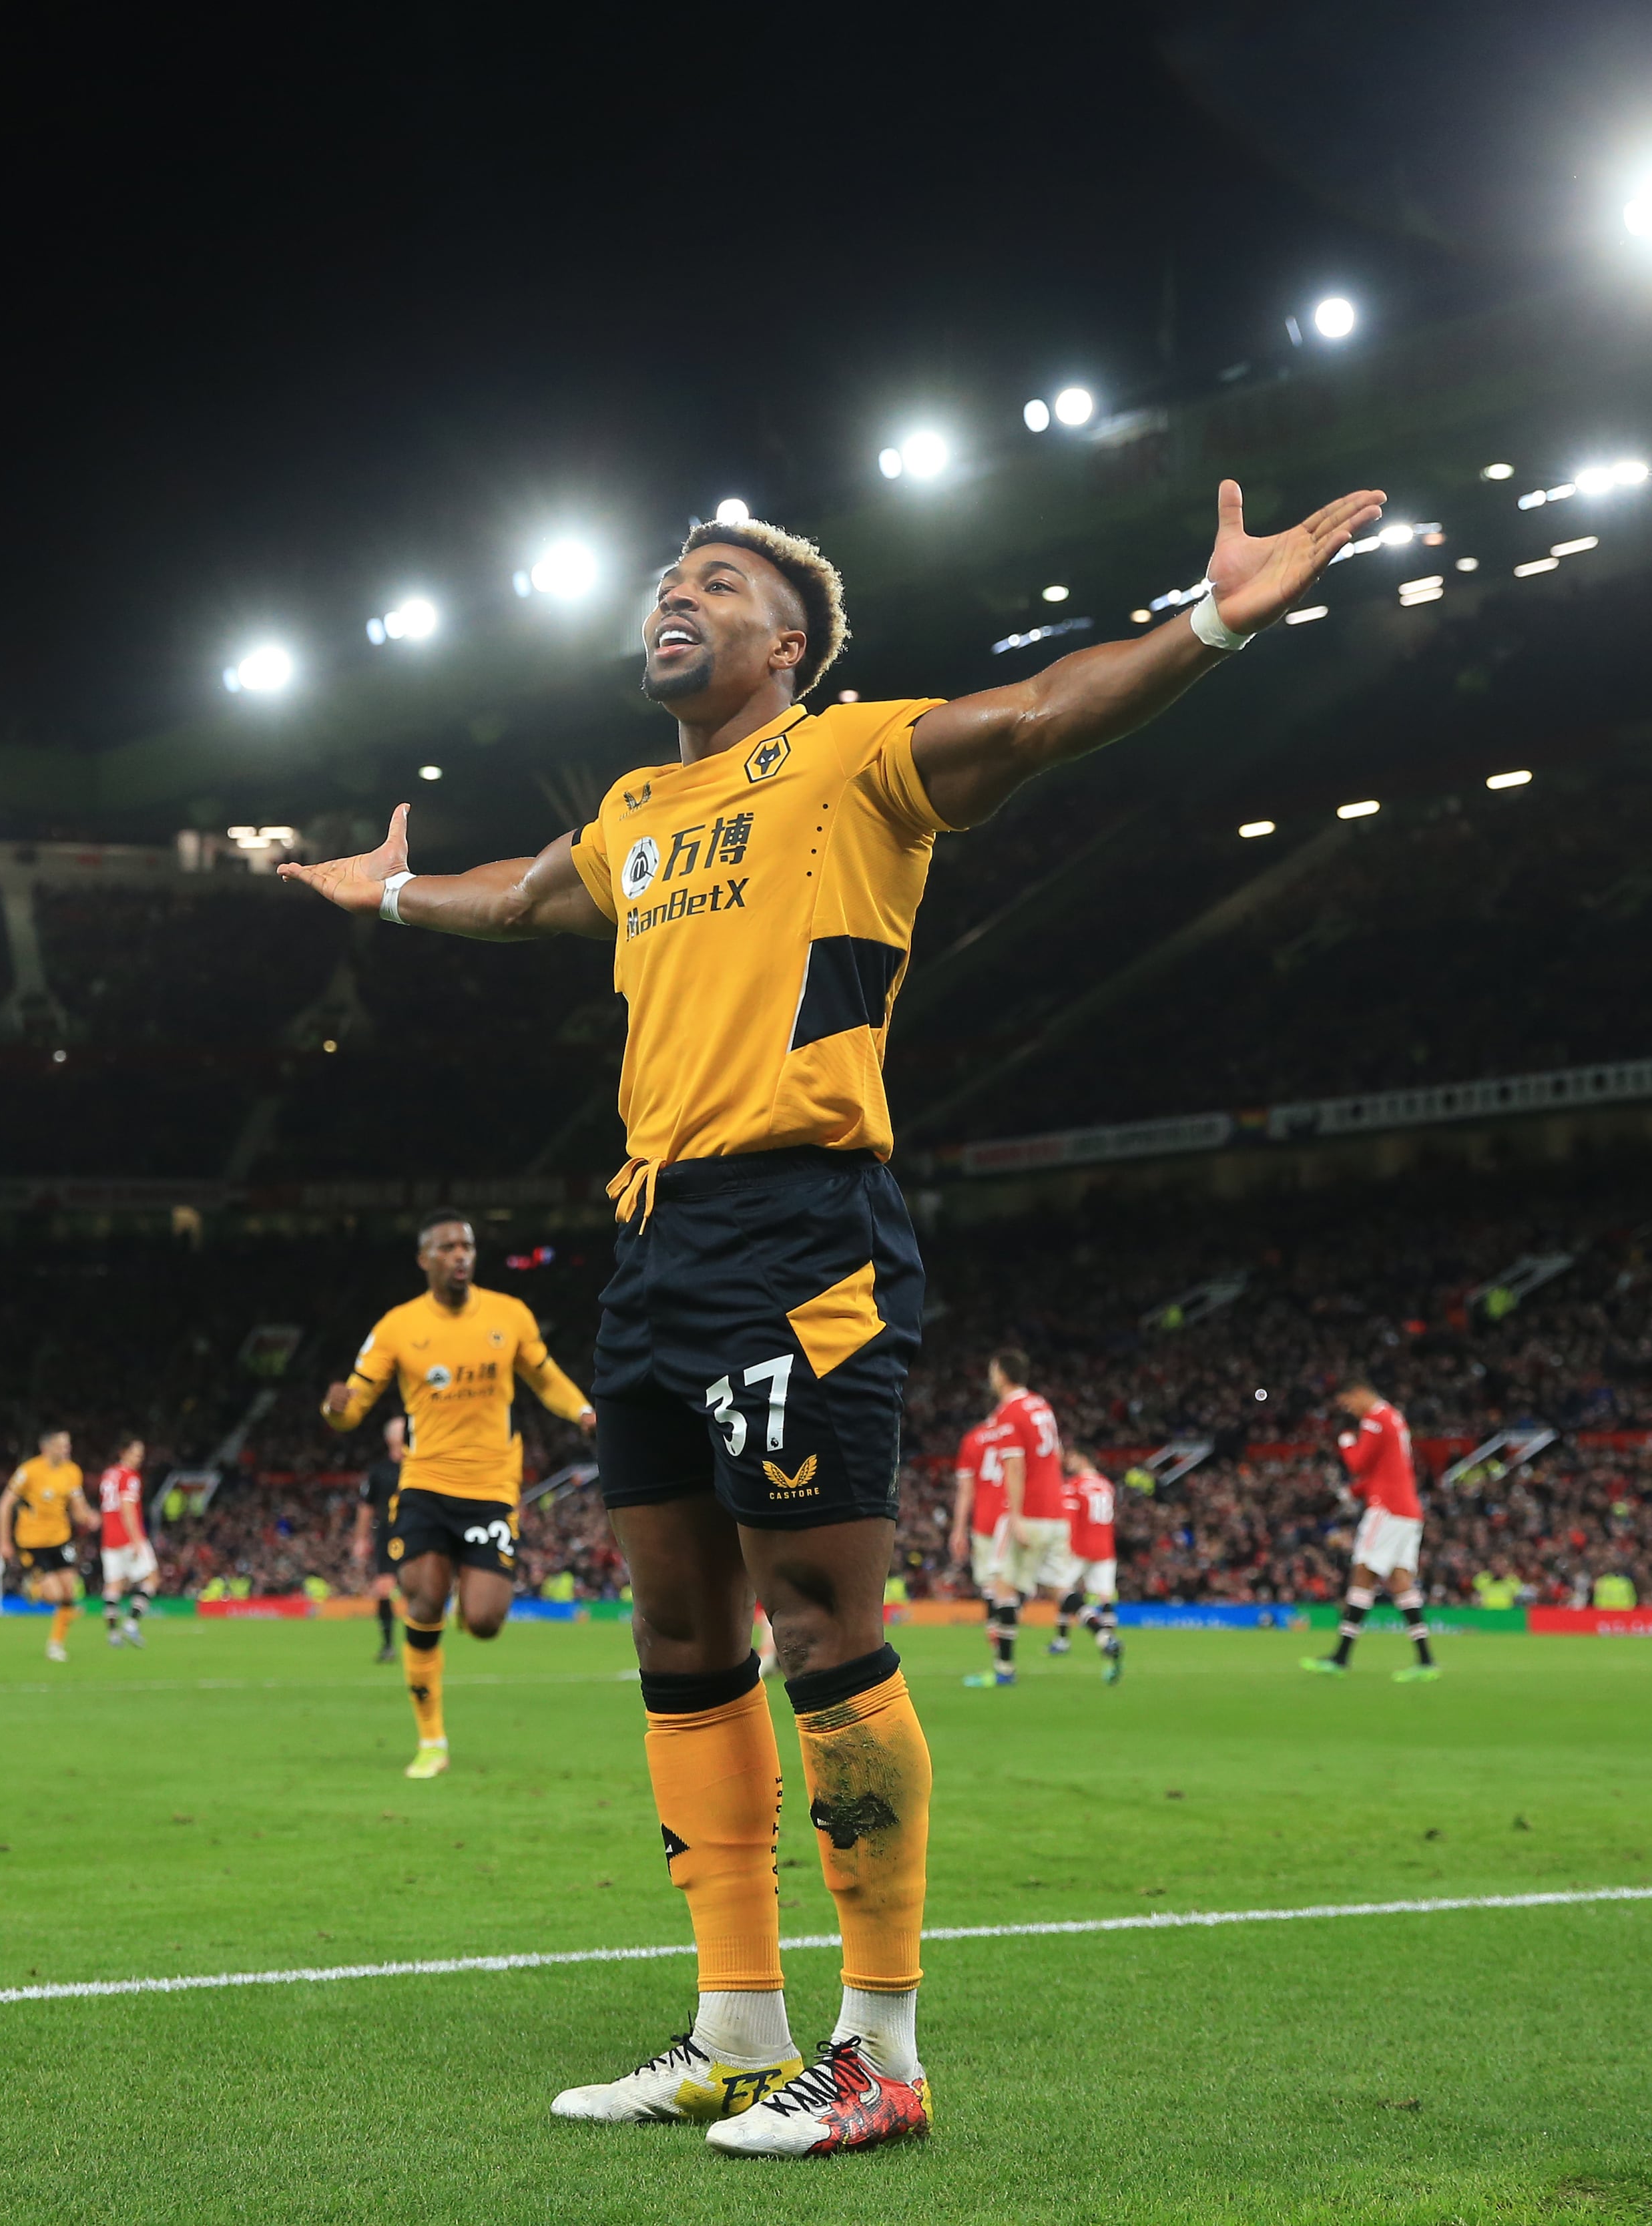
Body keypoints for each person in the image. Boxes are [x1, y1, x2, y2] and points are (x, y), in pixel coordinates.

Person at [280, 477, 1378, 2155]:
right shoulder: (640, 808)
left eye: (712, 582)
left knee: (817, 1623)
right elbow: (525, 898)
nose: (674, 594)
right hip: (654, 1241)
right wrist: (396, 896)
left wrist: (1217, 618)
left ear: (783, 640)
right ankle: (735, 2024)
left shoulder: (855, 753)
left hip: (802, 1226)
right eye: (667, 578)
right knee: (678, 1637)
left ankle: (880, 2048)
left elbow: (1032, 717)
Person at [321, 1209, 595, 1779]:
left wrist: (583, 1410)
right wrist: (336, 1410)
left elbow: (544, 1377)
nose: (460, 1255)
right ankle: (431, 1742)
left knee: (488, 1620)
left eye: (466, 1246)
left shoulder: (508, 1315)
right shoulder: (398, 1326)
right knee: (421, 1601)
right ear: (424, 1260)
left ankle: (468, 1605)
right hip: (423, 1483)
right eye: (447, 1247)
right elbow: (353, 1408)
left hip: (492, 1487)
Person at [1306, 1379, 1438, 1681]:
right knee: (1400, 1579)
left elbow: (1358, 1462)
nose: (1349, 1410)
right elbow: (1385, 1468)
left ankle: (1340, 1657)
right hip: (1407, 1509)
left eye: (1348, 1403)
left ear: (1360, 1393)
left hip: (1387, 1508)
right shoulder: (1394, 1418)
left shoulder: (1375, 1419)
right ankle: (1426, 1660)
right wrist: (1355, 1492)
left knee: (1363, 1572)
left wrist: (1346, 1442)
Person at [969, 1351, 1067, 1689]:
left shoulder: (1008, 1412)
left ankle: (1003, 1670)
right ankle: (1102, 1634)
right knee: (1048, 1587)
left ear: (1000, 1374)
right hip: (1057, 1511)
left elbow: (1015, 1465)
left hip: (1032, 1512)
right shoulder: (1042, 1405)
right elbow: (1058, 1455)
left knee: (1004, 1588)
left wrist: (1016, 1516)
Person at [0, 1429, 91, 1662]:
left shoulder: (72, 1471)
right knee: (54, 1594)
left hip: (60, 1539)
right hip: (32, 1542)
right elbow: (4, 1505)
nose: (67, 1450)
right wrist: (3, 1541)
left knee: (70, 1591)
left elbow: (79, 1507)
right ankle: (32, 1588)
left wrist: (89, 1517)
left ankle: (56, 1645)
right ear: (47, 1448)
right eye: (62, 1445)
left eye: (68, 1445)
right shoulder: (29, 1471)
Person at [1045, 1448, 1124, 1683]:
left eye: (1071, 1458)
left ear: (1083, 1458)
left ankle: (1063, 1640)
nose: (1068, 1463)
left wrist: (1062, 1548)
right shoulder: (1107, 1486)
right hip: (1105, 1548)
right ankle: (1109, 1653)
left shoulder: (1074, 1486)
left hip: (1079, 1548)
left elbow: (1068, 1520)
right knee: (1106, 1598)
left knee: (1062, 1589)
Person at [942, 1409, 1012, 1660]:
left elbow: (966, 1490)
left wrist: (959, 1530)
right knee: (1009, 1588)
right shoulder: (1013, 1433)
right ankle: (1003, 1655)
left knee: (991, 1587)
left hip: (985, 1523)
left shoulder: (973, 1439)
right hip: (1013, 1518)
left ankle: (999, 1652)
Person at [352, 1415, 408, 1662]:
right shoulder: (379, 1472)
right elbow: (366, 1507)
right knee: (384, 1588)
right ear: (390, 1439)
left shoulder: (422, 1467)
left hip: (418, 1531)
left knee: (419, 1587)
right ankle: (388, 1645)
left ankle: (422, 1644)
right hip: (388, 1533)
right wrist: (360, 1539)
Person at [95, 1437, 157, 1648]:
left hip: (109, 1538)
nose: (139, 1458)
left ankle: (113, 1635)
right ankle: (131, 1623)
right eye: (136, 1453)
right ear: (123, 1452)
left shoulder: (108, 1475)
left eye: (141, 1454)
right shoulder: (130, 1477)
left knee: (114, 1585)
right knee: (152, 1578)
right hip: (128, 1537)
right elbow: (127, 1508)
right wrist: (137, 1539)